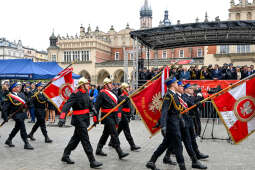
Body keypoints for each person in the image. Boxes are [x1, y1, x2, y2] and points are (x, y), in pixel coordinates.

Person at [58, 77, 102, 168]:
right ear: (82, 85)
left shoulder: (86, 92)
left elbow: (89, 103)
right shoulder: (75, 94)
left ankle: (65, 156)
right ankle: (92, 161)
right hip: (78, 120)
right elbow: (67, 105)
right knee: (85, 140)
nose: (88, 85)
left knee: (75, 139)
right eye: (87, 84)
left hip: (85, 119)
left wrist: (93, 111)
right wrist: (62, 117)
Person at [146, 77, 186, 170]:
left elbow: (176, 110)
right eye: (176, 83)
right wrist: (163, 126)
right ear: (172, 84)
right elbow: (164, 111)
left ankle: (151, 161)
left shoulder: (174, 95)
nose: (178, 84)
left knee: (165, 144)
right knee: (178, 147)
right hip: (172, 126)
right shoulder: (169, 95)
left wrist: (181, 119)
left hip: (175, 123)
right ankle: (183, 167)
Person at [95, 78, 129, 159]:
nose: (111, 85)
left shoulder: (113, 92)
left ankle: (98, 149)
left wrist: (125, 100)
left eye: (111, 83)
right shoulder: (101, 93)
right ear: (105, 85)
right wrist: (95, 118)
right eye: (109, 83)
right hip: (107, 115)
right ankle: (119, 152)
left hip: (113, 115)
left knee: (105, 133)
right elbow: (96, 106)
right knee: (114, 133)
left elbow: (118, 101)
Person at [108, 82, 141, 151]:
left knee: (119, 130)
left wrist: (130, 114)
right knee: (127, 131)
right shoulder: (121, 97)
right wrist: (120, 117)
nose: (129, 88)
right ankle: (132, 145)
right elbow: (119, 108)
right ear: (123, 89)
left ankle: (111, 142)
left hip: (126, 115)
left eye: (128, 87)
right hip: (123, 116)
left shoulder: (127, 96)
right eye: (127, 87)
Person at [2, 82, 34, 150]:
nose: (19, 88)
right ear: (13, 88)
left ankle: (9, 140)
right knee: (22, 128)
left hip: (22, 114)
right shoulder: (10, 96)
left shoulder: (21, 94)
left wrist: (30, 98)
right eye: (17, 86)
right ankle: (26, 143)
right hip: (15, 114)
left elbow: (27, 101)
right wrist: (5, 117)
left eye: (19, 86)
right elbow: (5, 107)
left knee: (17, 127)